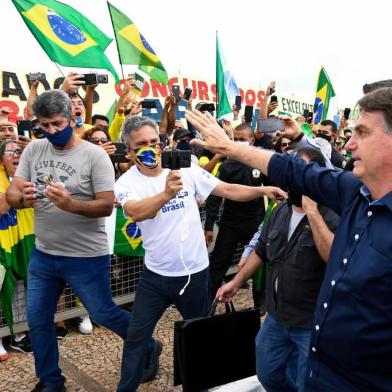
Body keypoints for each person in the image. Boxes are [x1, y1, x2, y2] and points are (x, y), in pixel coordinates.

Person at [186, 86, 392, 391]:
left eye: (361, 132)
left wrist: (314, 215)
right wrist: (235, 147)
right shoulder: (353, 193)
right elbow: (294, 171)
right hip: (315, 360)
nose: (349, 145)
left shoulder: (337, 204)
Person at [114, 116, 286, 392]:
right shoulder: (126, 182)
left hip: (194, 274)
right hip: (155, 277)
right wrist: (166, 194)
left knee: (199, 339)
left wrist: (263, 190)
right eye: (141, 145)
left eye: (154, 142)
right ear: (129, 150)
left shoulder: (188, 167)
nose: (150, 149)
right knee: (136, 336)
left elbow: (226, 189)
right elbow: (135, 212)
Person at [6, 89, 137, 392]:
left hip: (86, 257)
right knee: (38, 320)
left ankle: (145, 343)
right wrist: (21, 197)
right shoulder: (34, 150)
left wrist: (69, 204)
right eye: (44, 125)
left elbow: (105, 205)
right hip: (44, 255)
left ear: (73, 118)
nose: (51, 131)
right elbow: (13, 192)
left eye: (57, 123)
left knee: (104, 313)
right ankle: (52, 381)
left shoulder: (95, 156)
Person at [217, 147, 339, 391]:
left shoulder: (333, 214)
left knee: (310, 384)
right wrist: (237, 281)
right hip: (276, 316)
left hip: (311, 322)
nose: (291, 180)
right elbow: (262, 249)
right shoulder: (280, 210)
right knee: (267, 373)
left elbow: (333, 257)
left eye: (299, 174)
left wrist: (313, 212)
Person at [204, 124, 268, 301]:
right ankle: (208, 301)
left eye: (243, 139)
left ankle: (260, 302)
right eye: (236, 139)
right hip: (230, 222)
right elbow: (215, 196)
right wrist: (209, 225)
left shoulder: (260, 162)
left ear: (251, 140)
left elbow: (273, 189)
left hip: (254, 222)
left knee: (258, 262)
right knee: (218, 263)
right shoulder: (226, 166)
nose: (239, 142)